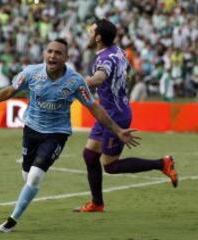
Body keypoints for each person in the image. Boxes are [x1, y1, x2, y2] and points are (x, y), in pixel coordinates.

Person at [0, 38, 141, 233]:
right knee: (27, 175)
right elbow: (10, 91)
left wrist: (117, 130)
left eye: (58, 53)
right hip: (31, 130)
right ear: (44, 54)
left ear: (66, 58)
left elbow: (94, 108)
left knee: (35, 177)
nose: (52, 55)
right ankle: (26, 193)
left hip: (57, 133)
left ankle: (11, 221)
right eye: (50, 51)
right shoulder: (31, 73)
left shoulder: (75, 81)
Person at [73, 19, 178, 213]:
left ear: (98, 38)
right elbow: (126, 72)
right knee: (89, 155)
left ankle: (162, 163)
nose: (88, 33)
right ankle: (97, 203)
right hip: (107, 110)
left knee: (110, 166)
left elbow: (99, 78)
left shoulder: (105, 58)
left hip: (115, 115)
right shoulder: (119, 51)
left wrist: (78, 83)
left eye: (91, 31)